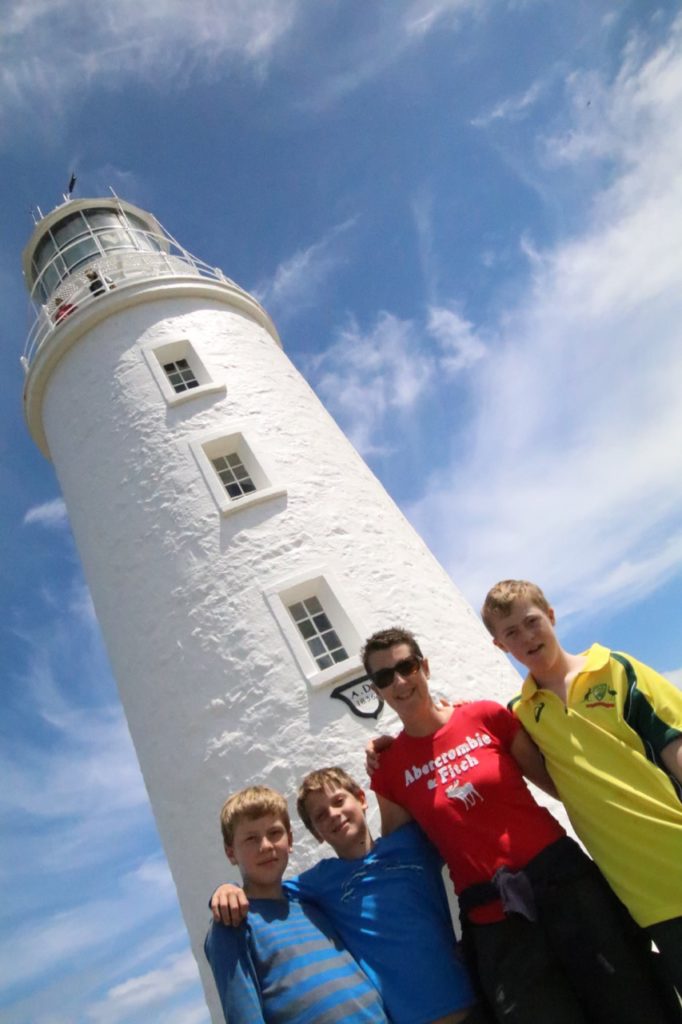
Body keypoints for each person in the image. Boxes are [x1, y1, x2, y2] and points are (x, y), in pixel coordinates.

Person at [364, 626, 678, 1024]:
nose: (400, 681)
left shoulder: (486, 715)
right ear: (376, 690)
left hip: (566, 884)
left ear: (424, 666)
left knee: (631, 1002)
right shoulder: (388, 769)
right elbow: (405, 858)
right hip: (494, 916)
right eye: (384, 677)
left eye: (407, 666)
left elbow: (560, 782)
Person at [482, 578, 682, 997]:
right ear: (501, 647)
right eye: (511, 633)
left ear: (551, 615)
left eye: (532, 621)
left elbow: (673, 745)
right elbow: (555, 783)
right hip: (644, 893)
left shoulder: (616, 668)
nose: (526, 637)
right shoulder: (523, 714)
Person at [212, 767, 484, 1024]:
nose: (333, 814)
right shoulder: (316, 886)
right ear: (316, 834)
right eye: (319, 816)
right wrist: (225, 890)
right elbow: (264, 889)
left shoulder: (410, 842)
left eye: (339, 800)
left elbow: (470, 851)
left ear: (362, 799)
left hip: (473, 1005)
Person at [204, 785, 387, 1024]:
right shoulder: (233, 923)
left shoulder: (311, 905)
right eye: (251, 838)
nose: (266, 846)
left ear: (289, 840)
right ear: (231, 852)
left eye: (274, 833)